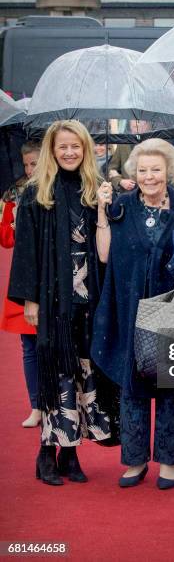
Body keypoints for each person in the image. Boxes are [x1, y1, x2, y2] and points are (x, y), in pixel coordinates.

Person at [8, 120, 111, 486]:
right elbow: (25, 252)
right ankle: (45, 455)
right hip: (53, 301)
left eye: (76, 147)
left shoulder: (95, 188)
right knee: (57, 375)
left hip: (89, 300)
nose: (69, 152)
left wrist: (115, 197)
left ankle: (70, 453)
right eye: (62, 147)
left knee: (84, 375)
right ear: (52, 151)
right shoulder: (38, 192)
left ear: (85, 150)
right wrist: (30, 300)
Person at [92, 138, 174, 489]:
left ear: (168, 171)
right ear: (133, 173)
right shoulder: (121, 205)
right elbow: (105, 257)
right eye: (142, 170)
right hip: (129, 303)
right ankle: (135, 460)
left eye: (156, 169)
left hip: (169, 304)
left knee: (169, 384)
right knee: (132, 385)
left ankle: (169, 462)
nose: (149, 177)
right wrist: (101, 213)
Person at [0, 141, 41, 427]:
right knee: (28, 346)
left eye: (34, 163)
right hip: (23, 276)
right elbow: (6, 242)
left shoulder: (56, 190)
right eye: (26, 164)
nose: (29, 170)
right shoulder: (13, 195)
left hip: (52, 276)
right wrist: (10, 220)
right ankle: (36, 405)